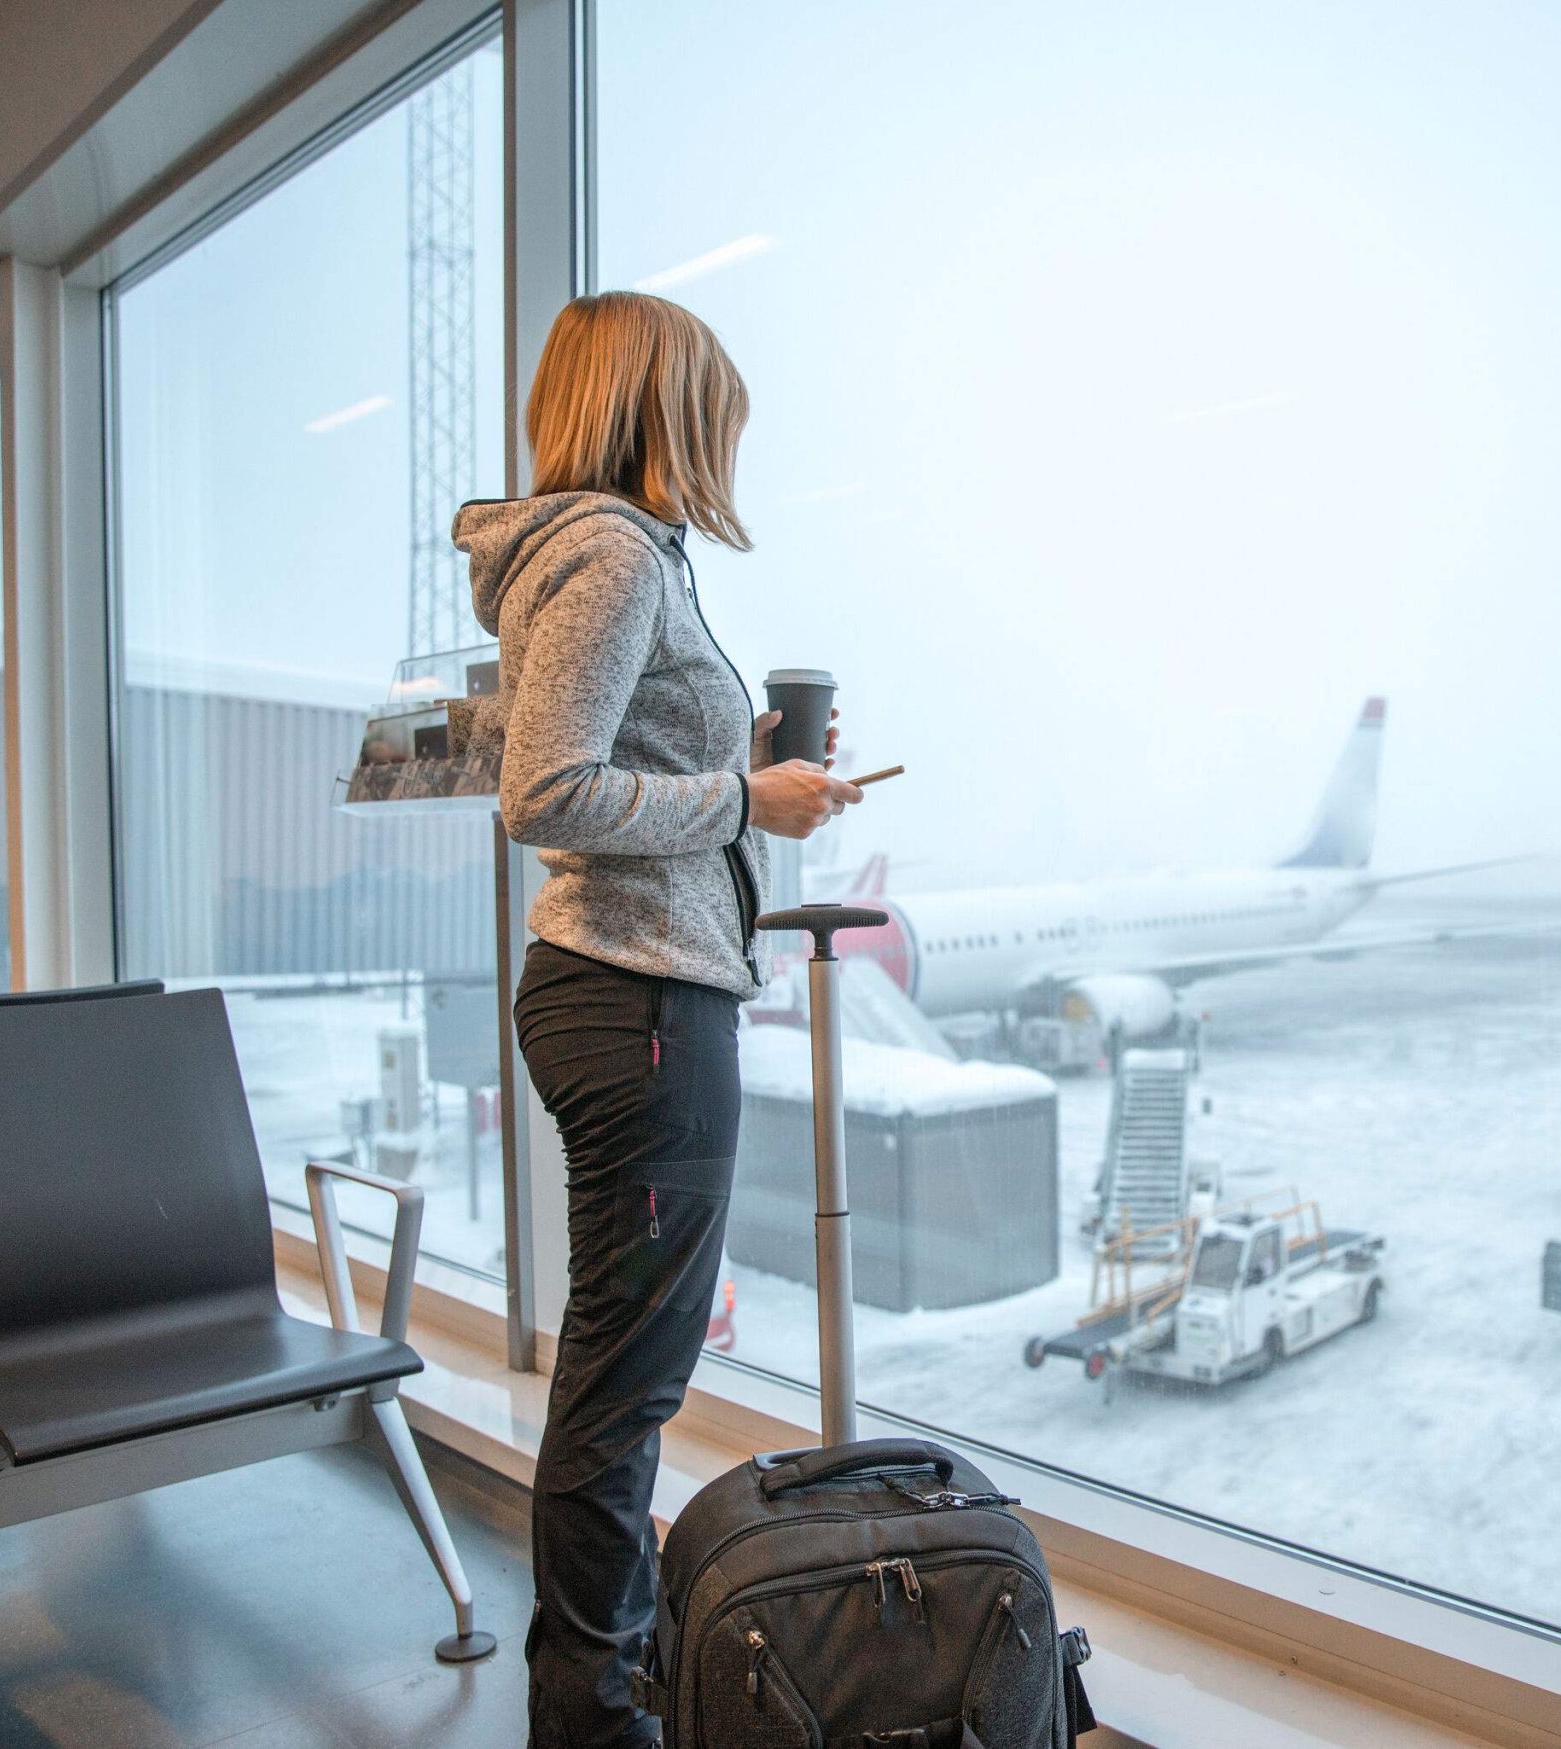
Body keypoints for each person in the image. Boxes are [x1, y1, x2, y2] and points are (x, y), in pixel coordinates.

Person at [454, 290, 861, 1748]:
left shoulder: (612, 558)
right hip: (635, 1000)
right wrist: (752, 796)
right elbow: (544, 798)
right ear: (665, 412)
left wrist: (741, 763)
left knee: (616, 1373)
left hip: (633, 991)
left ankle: (593, 1693)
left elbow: (608, 761)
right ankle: (592, 1713)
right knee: (625, 1392)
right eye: (714, 419)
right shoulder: (615, 556)